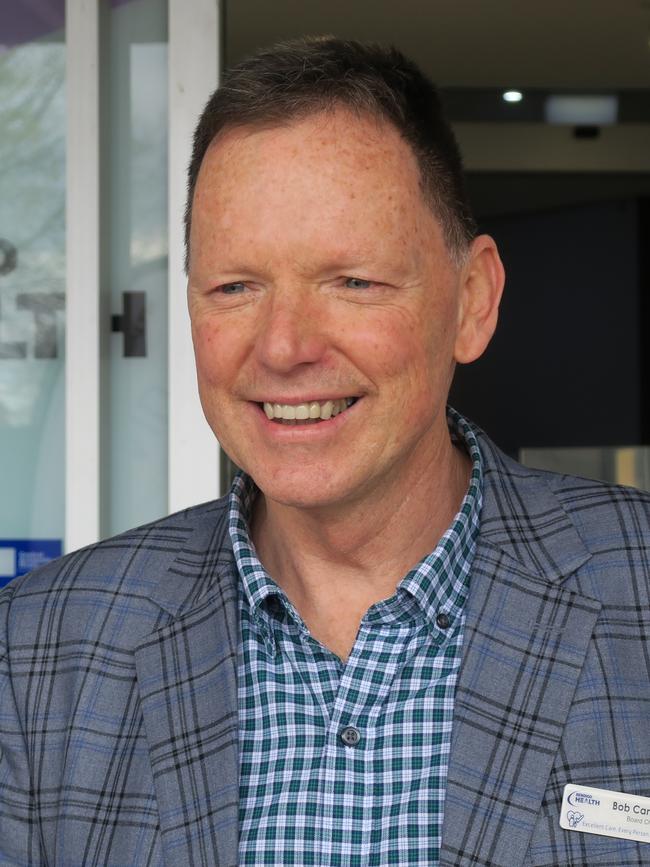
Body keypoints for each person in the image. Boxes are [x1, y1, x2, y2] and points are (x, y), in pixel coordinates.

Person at [1, 37, 649, 867]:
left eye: (352, 281)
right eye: (235, 286)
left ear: (473, 301)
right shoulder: (39, 651)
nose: (283, 346)